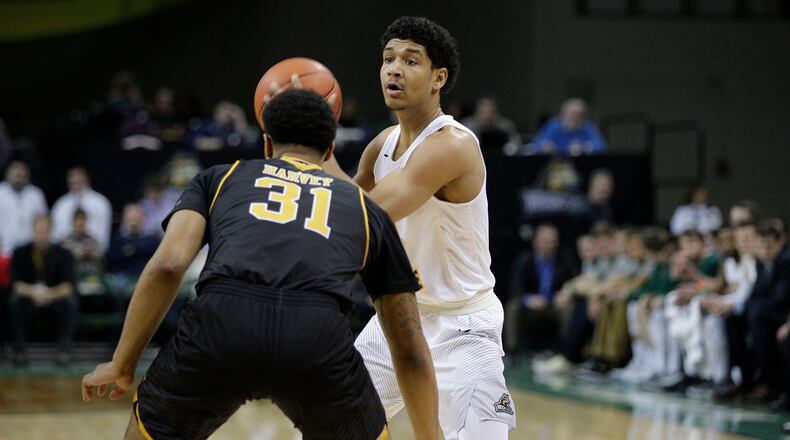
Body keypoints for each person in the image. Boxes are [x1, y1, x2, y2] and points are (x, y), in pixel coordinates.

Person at [82, 89, 441, 440]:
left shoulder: (219, 178)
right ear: (330, 149)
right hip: (315, 336)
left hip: (220, 325)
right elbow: (409, 347)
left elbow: (169, 265)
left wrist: (122, 363)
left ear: (267, 144)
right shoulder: (368, 211)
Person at [323, 16, 515, 438]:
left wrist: (314, 151)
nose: (394, 68)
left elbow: (367, 215)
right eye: (388, 58)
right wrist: (309, 141)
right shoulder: (383, 144)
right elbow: (339, 209)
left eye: (411, 61)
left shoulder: (453, 145)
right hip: (400, 317)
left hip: (462, 325)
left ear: (437, 78)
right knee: (335, 426)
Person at [8, 215, 78, 366]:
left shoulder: (63, 253)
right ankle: (19, 351)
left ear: (51, 231)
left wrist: (50, 294)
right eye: (38, 231)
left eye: (45, 231)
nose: (41, 234)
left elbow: (69, 286)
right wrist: (34, 291)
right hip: (30, 298)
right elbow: (16, 285)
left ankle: (64, 351)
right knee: (14, 302)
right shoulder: (20, 252)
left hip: (54, 299)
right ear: (32, 231)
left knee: (70, 302)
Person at [506, 223, 578, 354]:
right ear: (535, 241)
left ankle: (566, 351)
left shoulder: (565, 258)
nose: (549, 244)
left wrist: (564, 294)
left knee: (569, 308)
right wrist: (529, 299)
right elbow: (515, 288)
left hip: (554, 305)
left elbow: (574, 281)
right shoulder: (525, 259)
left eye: (552, 240)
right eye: (545, 240)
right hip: (532, 307)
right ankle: (512, 351)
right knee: (513, 307)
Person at [51, 167, 113, 251]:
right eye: (73, 179)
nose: (76, 182)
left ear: (87, 179)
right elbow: (56, 235)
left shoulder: (101, 202)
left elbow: (104, 233)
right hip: (66, 252)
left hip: (93, 251)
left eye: (79, 179)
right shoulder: (61, 205)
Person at [0, 161, 48, 254]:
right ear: (8, 172)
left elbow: (43, 222)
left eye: (21, 169)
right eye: (14, 169)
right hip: (4, 249)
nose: (18, 173)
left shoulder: (36, 194)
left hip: (31, 249)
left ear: (27, 173)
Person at [531, 98, 607, 155]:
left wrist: (584, 148)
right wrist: (545, 147)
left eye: (578, 116)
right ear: (563, 114)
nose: (574, 119)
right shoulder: (553, 126)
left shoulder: (588, 127)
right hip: (555, 165)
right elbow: (536, 144)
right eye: (571, 115)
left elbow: (601, 146)